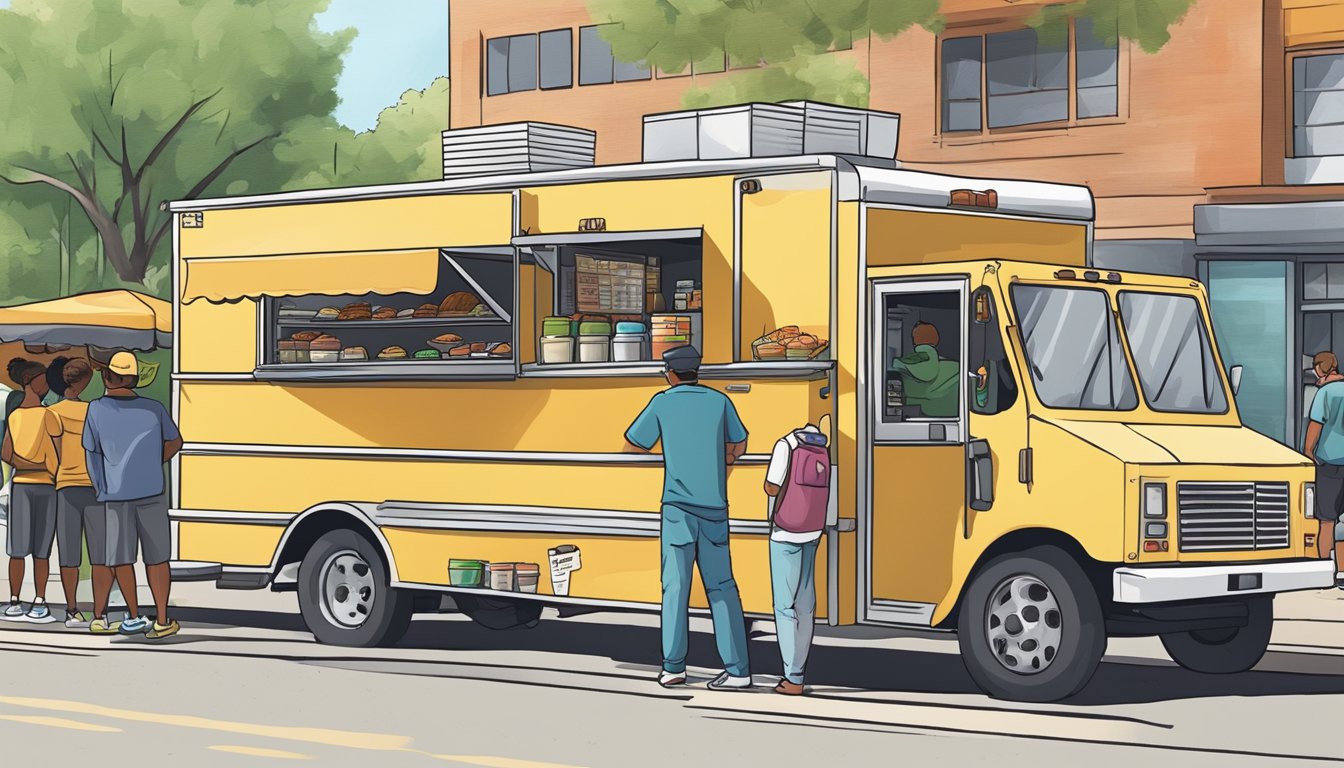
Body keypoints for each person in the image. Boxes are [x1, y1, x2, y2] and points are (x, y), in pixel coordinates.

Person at [625, 345, 753, 691]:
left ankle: (673, 668)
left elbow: (635, 442)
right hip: (715, 508)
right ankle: (739, 671)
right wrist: (721, 471)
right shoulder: (719, 401)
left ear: (669, 372)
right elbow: (739, 443)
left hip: (678, 509)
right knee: (723, 588)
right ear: (697, 370)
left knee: (676, 588)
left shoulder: (663, 402)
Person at [83, 351, 183, 638]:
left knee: (121, 558)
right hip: (152, 491)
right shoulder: (153, 408)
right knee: (157, 557)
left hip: (114, 494)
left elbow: (92, 454)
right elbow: (176, 441)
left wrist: (100, 486)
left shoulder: (96, 409)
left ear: (107, 377)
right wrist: (153, 462)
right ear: (135, 379)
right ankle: (163, 619)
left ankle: (135, 615)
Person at [764, 420, 832, 696]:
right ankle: (799, 672)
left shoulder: (787, 445)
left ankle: (792, 678)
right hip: (813, 531)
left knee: (784, 607)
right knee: (806, 605)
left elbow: (771, 486)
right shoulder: (823, 449)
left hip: (786, 532)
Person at [48, 359, 108, 628]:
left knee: (69, 553)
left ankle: (71, 610)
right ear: (84, 381)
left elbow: (53, 455)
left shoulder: (53, 412)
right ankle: (100, 612)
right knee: (100, 554)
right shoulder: (95, 411)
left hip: (65, 487)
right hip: (95, 487)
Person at [0, 358, 59, 622]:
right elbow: (8, 453)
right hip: (36, 486)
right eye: (42, 377)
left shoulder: (33, 415)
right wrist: (39, 466)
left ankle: (33, 599)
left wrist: (28, 466)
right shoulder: (33, 415)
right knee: (26, 549)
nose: (46, 382)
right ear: (29, 381)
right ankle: (23, 600)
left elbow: (10, 455)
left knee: (34, 549)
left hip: (29, 485)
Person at [1303, 350, 1344, 589]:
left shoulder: (1324, 393)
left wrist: (1308, 452)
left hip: (1328, 463)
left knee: (1326, 520)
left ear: (1320, 368)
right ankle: (1343, 572)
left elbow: (1315, 426)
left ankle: (1323, 569)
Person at [889, 322, 960, 418]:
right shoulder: (956, 367)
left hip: (915, 418)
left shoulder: (899, 366)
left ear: (914, 341)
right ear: (936, 340)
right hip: (954, 420)